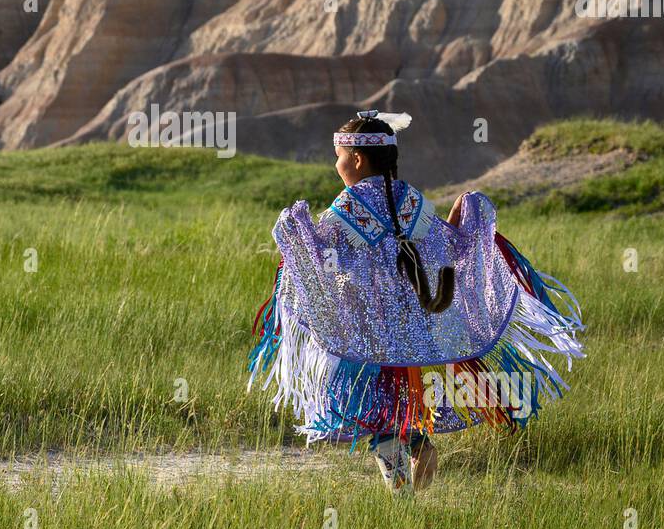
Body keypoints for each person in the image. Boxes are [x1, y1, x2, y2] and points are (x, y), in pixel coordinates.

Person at [248, 110, 585, 492]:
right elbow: (443, 244)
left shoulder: (347, 207)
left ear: (356, 159)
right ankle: (419, 447)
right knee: (405, 399)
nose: (336, 162)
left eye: (338, 155)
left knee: (374, 407)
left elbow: (326, 257)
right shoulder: (412, 202)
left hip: (370, 332)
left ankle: (400, 488)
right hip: (416, 329)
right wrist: (464, 227)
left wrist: (298, 237)